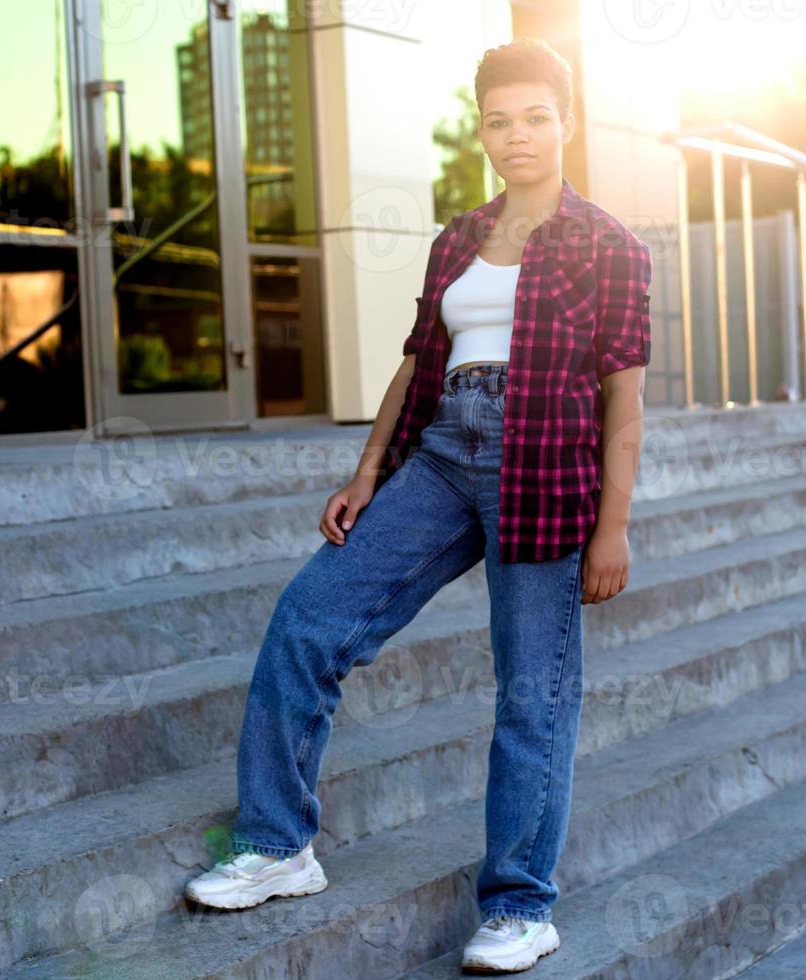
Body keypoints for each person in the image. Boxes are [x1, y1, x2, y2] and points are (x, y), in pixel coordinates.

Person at [184, 37, 653, 975]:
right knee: (309, 619)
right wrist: (368, 472)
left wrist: (614, 523)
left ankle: (521, 906)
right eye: (497, 121)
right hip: (443, 455)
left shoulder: (611, 245)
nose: (515, 136)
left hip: (548, 466)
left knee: (534, 693)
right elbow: (414, 365)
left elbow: (624, 398)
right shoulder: (456, 240)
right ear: (480, 130)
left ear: (567, 123)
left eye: (534, 117)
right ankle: (279, 846)